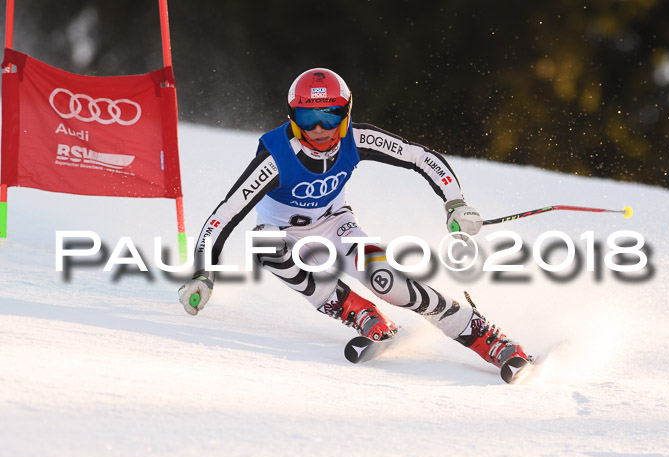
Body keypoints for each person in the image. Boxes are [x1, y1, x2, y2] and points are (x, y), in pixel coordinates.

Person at [178, 68, 531, 382]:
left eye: (329, 118)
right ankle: (360, 313)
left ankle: (484, 334)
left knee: (387, 282)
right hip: (286, 236)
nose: (318, 129)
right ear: (292, 116)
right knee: (265, 245)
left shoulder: (356, 139)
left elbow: (420, 157)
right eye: (307, 117)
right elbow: (223, 216)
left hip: (337, 226)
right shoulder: (276, 157)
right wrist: (201, 273)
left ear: (346, 115)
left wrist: (454, 203)